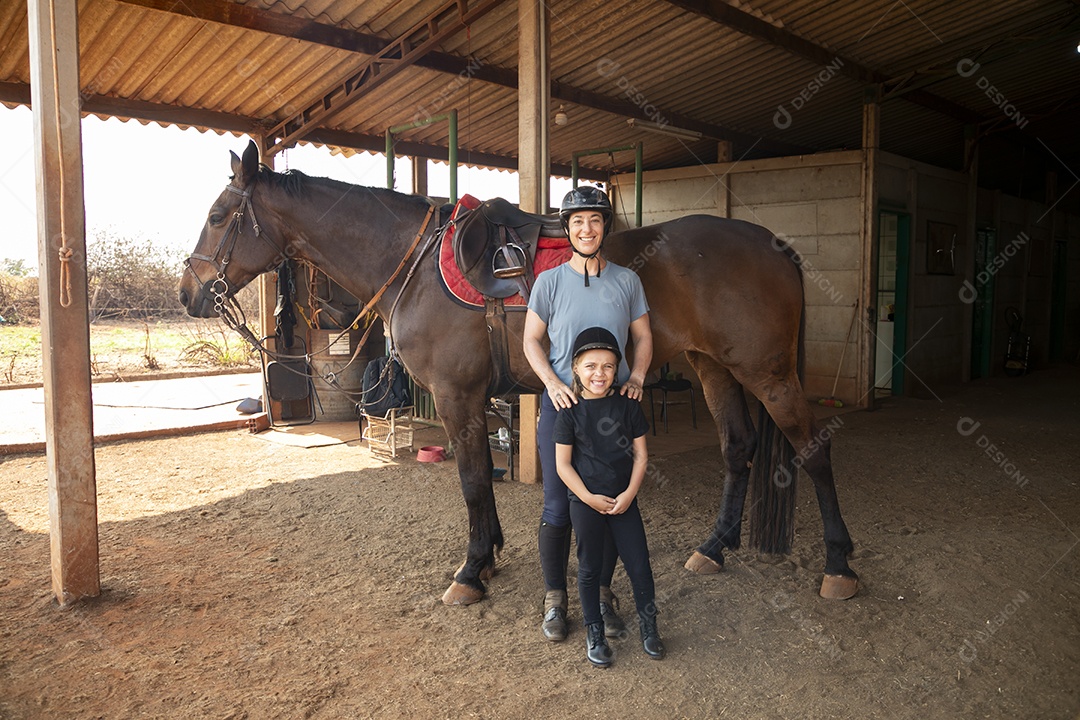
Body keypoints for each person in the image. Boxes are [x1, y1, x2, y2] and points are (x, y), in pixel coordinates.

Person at [523, 186, 653, 642]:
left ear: (605, 227)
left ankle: (600, 593)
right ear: (567, 228)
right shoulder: (549, 282)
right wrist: (553, 384)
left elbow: (643, 337)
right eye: (578, 221)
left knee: (610, 505)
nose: (586, 228)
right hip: (564, 410)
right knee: (559, 507)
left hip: (610, 412)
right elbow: (530, 342)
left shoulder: (627, 281)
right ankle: (555, 598)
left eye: (595, 220)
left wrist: (635, 376)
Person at [553, 327, 664, 667]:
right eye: (591, 366)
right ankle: (595, 632)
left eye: (608, 366)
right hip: (585, 503)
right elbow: (562, 465)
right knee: (589, 569)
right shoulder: (569, 412)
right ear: (576, 368)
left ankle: (649, 627)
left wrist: (630, 493)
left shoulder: (627, 407)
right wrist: (587, 497)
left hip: (623, 500)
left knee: (639, 565)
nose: (599, 373)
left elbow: (641, 456)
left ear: (617, 370)